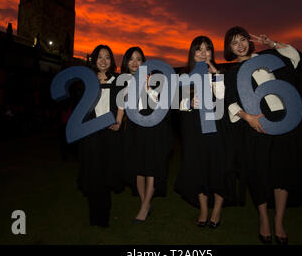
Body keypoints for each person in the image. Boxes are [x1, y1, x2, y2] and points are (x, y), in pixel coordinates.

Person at [223, 26, 302, 244]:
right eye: (234, 42)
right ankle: (264, 219)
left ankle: (279, 221)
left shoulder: (268, 59)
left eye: (243, 40)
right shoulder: (232, 73)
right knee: (259, 174)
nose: (240, 45)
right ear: (229, 48)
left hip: (281, 121)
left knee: (281, 172)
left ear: (249, 41)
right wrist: (248, 117)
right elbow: (229, 102)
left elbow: (296, 58)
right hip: (255, 126)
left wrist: (273, 44)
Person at [174, 36, 234, 229]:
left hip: (218, 130)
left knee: (218, 169)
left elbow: (225, 98)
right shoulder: (185, 76)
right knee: (197, 169)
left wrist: (215, 74)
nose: (202, 53)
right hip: (195, 131)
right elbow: (176, 105)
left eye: (206, 49)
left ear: (212, 53)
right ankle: (203, 210)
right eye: (198, 49)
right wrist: (189, 103)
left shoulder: (220, 73)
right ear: (192, 53)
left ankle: (216, 210)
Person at [116, 47, 174, 224]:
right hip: (134, 130)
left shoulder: (154, 79)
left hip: (154, 129)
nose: (135, 62)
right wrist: (117, 123)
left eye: (139, 59)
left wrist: (148, 89)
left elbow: (162, 105)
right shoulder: (122, 82)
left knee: (151, 168)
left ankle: (144, 207)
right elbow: (120, 108)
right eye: (131, 59)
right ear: (126, 62)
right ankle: (145, 203)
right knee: (137, 169)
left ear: (144, 62)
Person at [77, 44, 123, 228]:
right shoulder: (87, 81)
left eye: (107, 57)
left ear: (111, 61)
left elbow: (121, 104)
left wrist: (118, 122)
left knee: (106, 175)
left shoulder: (117, 80)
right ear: (94, 60)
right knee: (93, 174)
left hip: (109, 132)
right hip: (91, 134)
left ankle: (103, 217)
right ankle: (94, 216)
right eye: (100, 57)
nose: (103, 61)